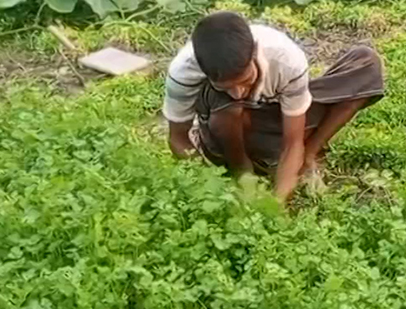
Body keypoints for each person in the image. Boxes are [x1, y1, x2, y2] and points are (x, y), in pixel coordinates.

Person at [164, 12, 385, 204]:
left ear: (254, 54)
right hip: (226, 133)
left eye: (246, 80)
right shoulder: (183, 71)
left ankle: (309, 155)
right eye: (227, 87)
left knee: (366, 62)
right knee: (228, 104)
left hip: (274, 121)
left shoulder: (285, 58)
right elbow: (178, 139)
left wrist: (278, 203)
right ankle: (241, 169)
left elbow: (292, 143)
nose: (239, 92)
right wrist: (210, 185)